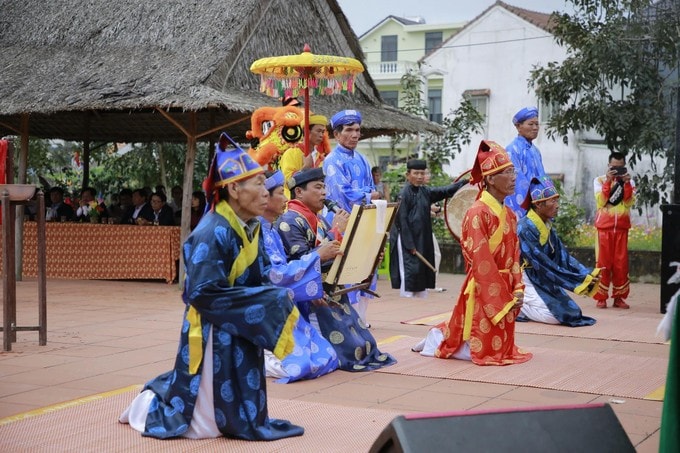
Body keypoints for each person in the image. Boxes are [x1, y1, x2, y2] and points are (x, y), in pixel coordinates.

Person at [120, 133, 305, 441]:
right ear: (234, 188)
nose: (267, 192)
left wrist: (281, 289)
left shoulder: (252, 226)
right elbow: (202, 293)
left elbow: (263, 275)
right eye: (258, 184)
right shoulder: (211, 232)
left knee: (237, 408)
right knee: (200, 425)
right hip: (211, 331)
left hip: (239, 324)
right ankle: (145, 404)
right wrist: (267, 302)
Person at [413, 140, 532, 366]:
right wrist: (502, 296)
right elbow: (481, 262)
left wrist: (517, 287)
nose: (513, 177)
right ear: (489, 179)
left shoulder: (509, 214)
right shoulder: (477, 213)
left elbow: (515, 255)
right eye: (506, 172)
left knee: (501, 348)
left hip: (504, 285)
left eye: (513, 171)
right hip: (484, 287)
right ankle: (435, 338)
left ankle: (444, 335)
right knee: (477, 347)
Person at [275, 167, 396, 372]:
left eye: (325, 188)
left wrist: (369, 257)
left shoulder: (319, 219)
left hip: (331, 288)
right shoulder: (289, 221)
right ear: (299, 192)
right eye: (318, 187)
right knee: (350, 350)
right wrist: (335, 232)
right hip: (311, 294)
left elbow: (337, 253)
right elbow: (299, 261)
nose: (324, 193)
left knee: (365, 344)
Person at [259, 170, 340, 382]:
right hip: (266, 304)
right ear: (264, 197)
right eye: (280, 193)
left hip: (288, 297)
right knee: (304, 365)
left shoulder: (271, 230)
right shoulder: (286, 222)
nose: (286, 199)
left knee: (329, 356)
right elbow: (273, 275)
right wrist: (317, 257)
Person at [517, 177, 599, 326]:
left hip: (541, 274)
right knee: (554, 317)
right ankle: (518, 306)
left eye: (557, 200)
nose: (557, 206)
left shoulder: (546, 224)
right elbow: (542, 263)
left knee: (572, 313)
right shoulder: (525, 227)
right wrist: (577, 280)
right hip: (526, 276)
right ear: (538, 205)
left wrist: (586, 274)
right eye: (553, 201)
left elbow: (563, 257)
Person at [323, 109, 380, 323]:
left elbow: (370, 189)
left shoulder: (363, 159)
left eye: (357, 130)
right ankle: (347, 318)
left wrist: (368, 195)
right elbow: (341, 194)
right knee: (346, 269)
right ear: (337, 134)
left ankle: (361, 318)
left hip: (362, 221)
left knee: (365, 266)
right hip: (342, 222)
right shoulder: (332, 161)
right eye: (349, 130)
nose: (355, 134)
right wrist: (368, 195)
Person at [389, 159, 466, 298]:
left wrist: (464, 183)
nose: (419, 176)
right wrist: (409, 244)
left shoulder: (425, 191)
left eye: (422, 173)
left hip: (422, 237)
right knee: (410, 269)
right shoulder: (404, 193)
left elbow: (445, 191)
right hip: (408, 238)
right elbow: (402, 220)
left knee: (420, 269)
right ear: (408, 175)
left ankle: (418, 295)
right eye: (416, 173)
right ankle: (408, 297)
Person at [593, 152, 635, 309]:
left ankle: (619, 298)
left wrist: (627, 184)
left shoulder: (629, 181)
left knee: (621, 264)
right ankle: (601, 297)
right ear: (608, 165)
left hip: (622, 228)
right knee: (603, 263)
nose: (617, 170)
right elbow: (601, 201)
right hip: (604, 228)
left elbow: (629, 202)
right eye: (614, 167)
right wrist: (608, 182)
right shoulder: (599, 180)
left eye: (620, 167)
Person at [505, 106, 549, 217]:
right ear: (518, 126)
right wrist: (534, 209)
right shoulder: (512, 150)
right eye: (531, 124)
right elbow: (518, 184)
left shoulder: (536, 151)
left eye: (537, 124)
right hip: (525, 210)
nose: (535, 128)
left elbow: (543, 178)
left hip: (539, 207)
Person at [279, 113, 328, 199]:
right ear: (307, 131)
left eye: (323, 132)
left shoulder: (320, 158)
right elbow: (288, 183)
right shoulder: (291, 153)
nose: (321, 135)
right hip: (295, 204)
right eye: (318, 131)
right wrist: (305, 169)